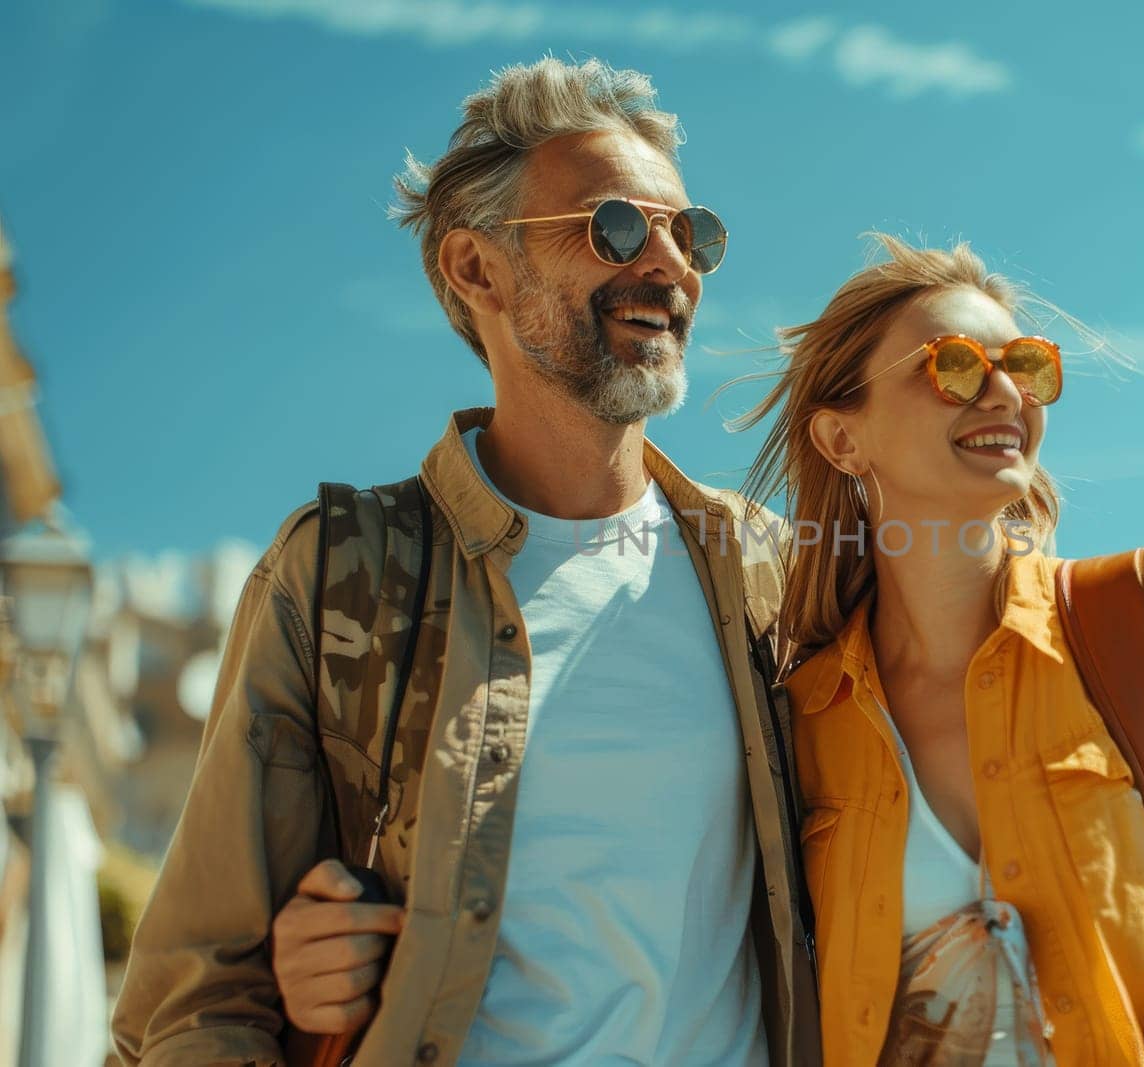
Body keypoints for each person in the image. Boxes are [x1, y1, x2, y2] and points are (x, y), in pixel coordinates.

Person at [111, 58, 818, 1066]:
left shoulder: (770, 573)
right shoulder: (342, 572)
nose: (670, 266)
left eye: (689, 231)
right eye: (616, 226)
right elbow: (194, 992)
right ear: (475, 269)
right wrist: (291, 972)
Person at [735, 234, 1144, 1065]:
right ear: (843, 440)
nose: (1003, 392)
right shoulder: (804, 716)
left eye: (1025, 366)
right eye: (951, 365)